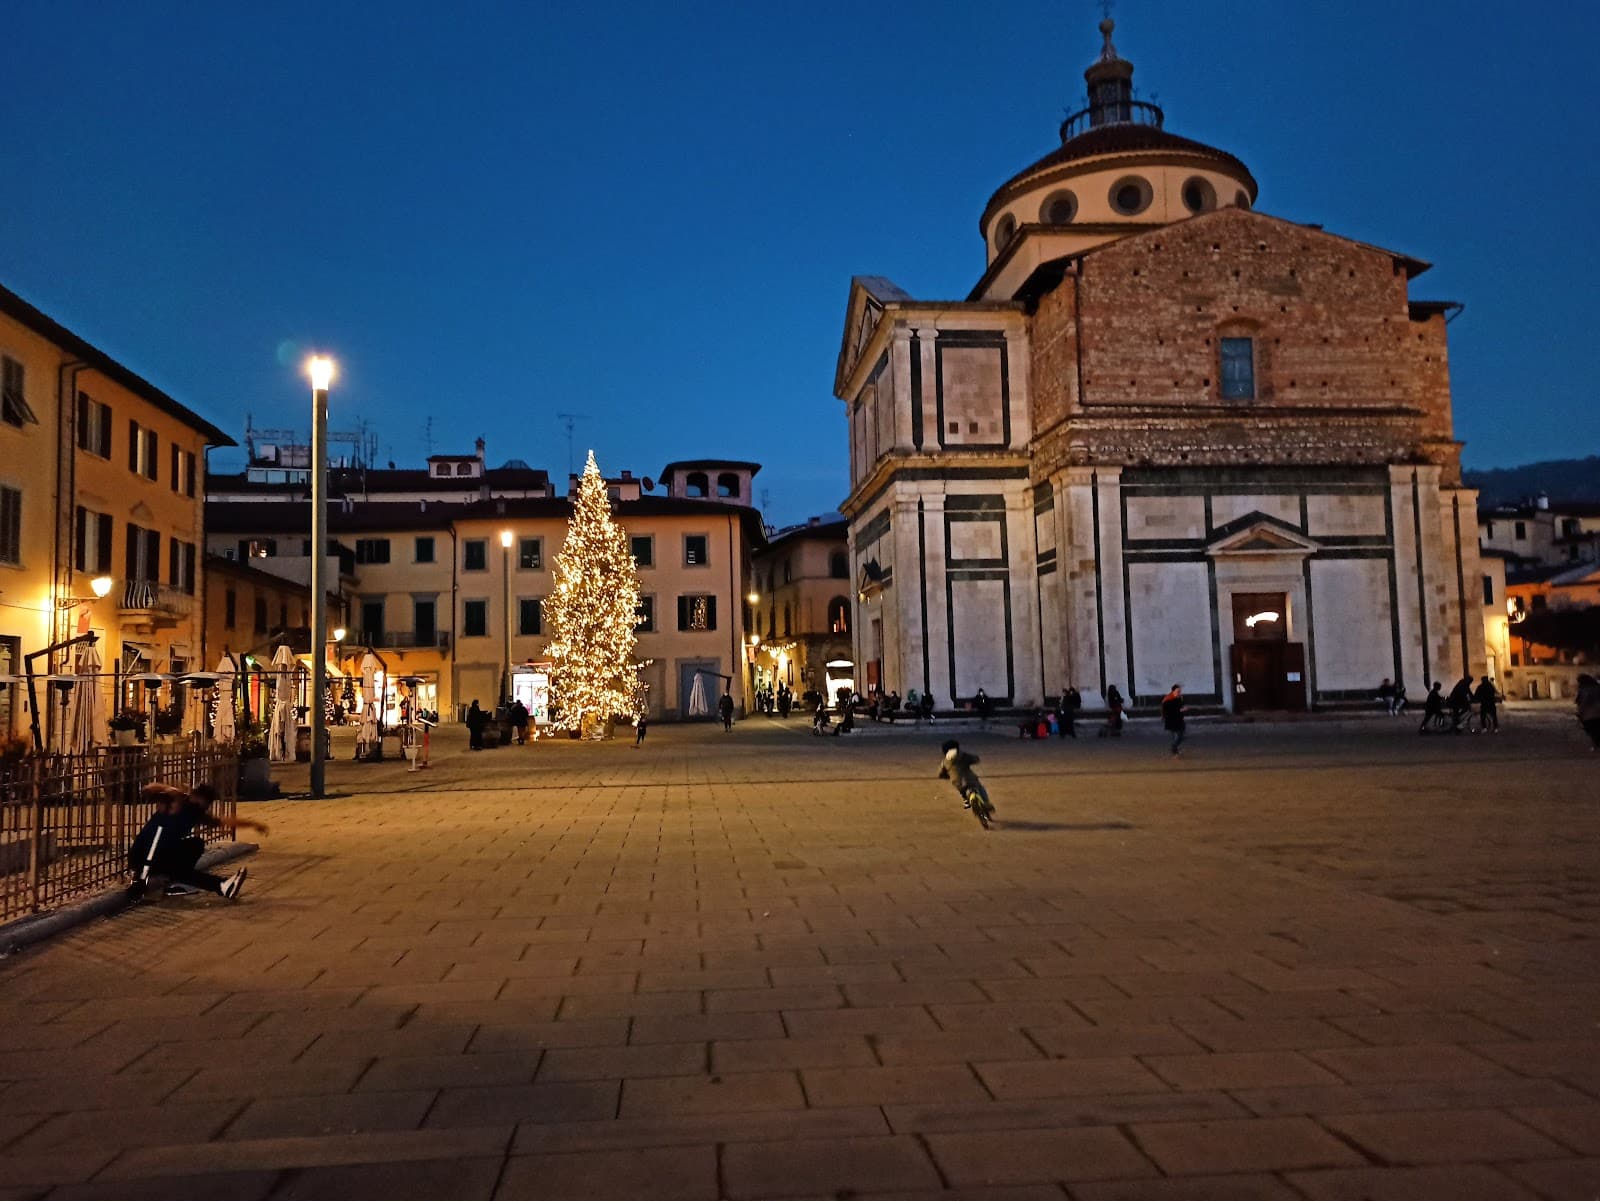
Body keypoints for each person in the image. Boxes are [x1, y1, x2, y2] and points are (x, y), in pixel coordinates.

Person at [128, 782, 267, 901]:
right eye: (206, 803)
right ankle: (222, 886)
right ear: (200, 798)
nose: (206, 807)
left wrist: (253, 824)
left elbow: (224, 821)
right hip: (145, 857)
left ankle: (174, 881)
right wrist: (172, 790)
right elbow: (148, 789)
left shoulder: (195, 812)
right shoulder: (176, 803)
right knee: (181, 869)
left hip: (158, 855)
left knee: (195, 845)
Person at [938, 739, 994, 821]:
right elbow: (975, 759)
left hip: (958, 783)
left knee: (963, 792)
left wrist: (947, 776)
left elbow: (941, 774)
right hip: (971, 780)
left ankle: (967, 800)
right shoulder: (963, 755)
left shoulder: (945, 761)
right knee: (981, 789)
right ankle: (986, 803)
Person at [1161, 683, 1187, 757]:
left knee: (1180, 734)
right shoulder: (1168, 699)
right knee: (1179, 735)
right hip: (1171, 720)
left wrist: (1182, 709)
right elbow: (1168, 711)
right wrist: (1180, 710)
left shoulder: (1179, 697)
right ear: (1173, 691)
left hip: (1179, 719)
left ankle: (1175, 749)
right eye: (1178, 691)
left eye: (1180, 691)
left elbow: (1181, 705)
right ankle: (1174, 748)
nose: (1179, 692)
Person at [1576, 673, 1600, 750]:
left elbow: (1583, 702)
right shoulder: (1597, 687)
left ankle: (1597, 745)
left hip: (1589, 714)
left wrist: (1580, 712)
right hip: (1596, 712)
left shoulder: (1584, 689)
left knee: (1592, 730)